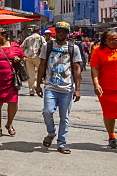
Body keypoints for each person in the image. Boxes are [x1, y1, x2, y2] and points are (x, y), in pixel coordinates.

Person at [36, 22, 84, 154]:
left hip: (67, 88)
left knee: (65, 117)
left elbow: (76, 68)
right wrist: (38, 84)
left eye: (64, 31)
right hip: (50, 86)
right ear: (55, 32)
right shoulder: (48, 45)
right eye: (59, 31)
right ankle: (51, 133)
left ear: (67, 33)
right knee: (47, 111)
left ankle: (62, 142)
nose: (61, 34)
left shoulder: (73, 48)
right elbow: (42, 64)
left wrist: (77, 88)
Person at [21, 27, 46, 97]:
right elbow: (45, 46)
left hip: (28, 57)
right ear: (39, 31)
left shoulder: (28, 38)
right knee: (40, 72)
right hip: (38, 57)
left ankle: (31, 90)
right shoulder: (41, 38)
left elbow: (22, 47)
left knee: (30, 74)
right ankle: (35, 85)